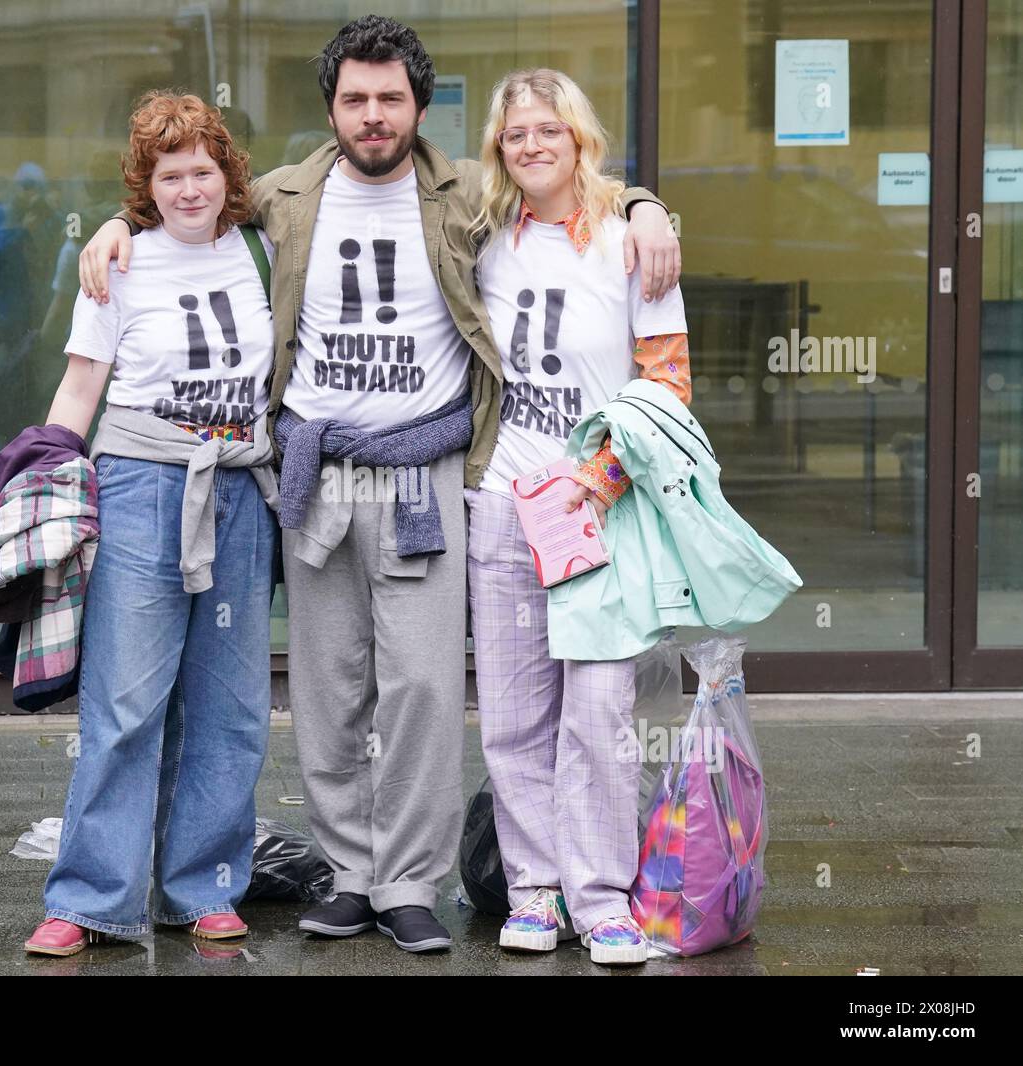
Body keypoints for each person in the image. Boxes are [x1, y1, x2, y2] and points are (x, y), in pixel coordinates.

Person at [77, 16, 680, 954]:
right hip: (319, 475)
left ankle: (408, 882)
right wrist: (117, 224)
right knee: (327, 691)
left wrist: (643, 202)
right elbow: (184, 197)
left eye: (389, 98)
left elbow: (561, 182)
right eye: (354, 99)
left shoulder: (469, 198)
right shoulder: (283, 196)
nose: (372, 115)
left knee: (426, 693)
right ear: (332, 107)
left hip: (426, 472)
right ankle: (348, 874)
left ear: (419, 105)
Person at [24, 91, 280, 957]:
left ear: (227, 174)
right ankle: (89, 895)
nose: (190, 189)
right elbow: (81, 389)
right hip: (140, 483)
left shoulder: (264, 251)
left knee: (232, 703)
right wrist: (47, 476)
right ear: (147, 185)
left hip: (240, 488)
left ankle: (203, 887)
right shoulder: (119, 264)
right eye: (171, 175)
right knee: (125, 701)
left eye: (204, 170)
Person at [465, 68, 691, 964]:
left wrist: (597, 480)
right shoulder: (484, 238)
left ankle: (602, 900)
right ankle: (532, 891)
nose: (530, 146)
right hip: (504, 506)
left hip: (602, 509)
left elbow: (668, 382)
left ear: (579, 138)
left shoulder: (631, 243)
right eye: (515, 134)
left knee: (598, 712)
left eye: (547, 131)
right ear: (498, 148)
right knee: (513, 716)